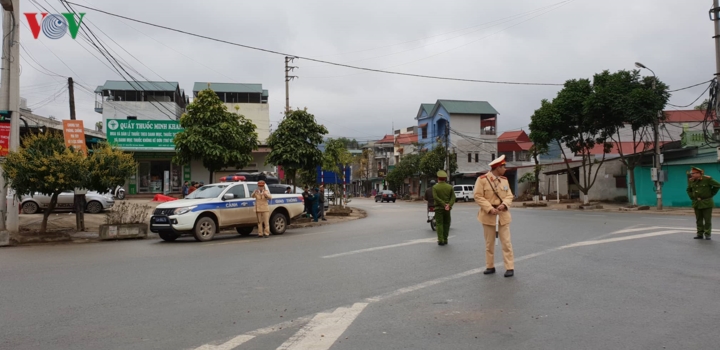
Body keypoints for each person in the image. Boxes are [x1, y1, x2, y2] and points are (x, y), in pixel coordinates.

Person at [474, 155, 515, 277]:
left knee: (506, 243)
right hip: (488, 215)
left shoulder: (504, 180)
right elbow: (478, 196)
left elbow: (509, 195)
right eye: (503, 166)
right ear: (497, 167)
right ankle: (490, 266)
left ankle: (509, 267)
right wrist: (489, 208)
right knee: (489, 244)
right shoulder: (482, 180)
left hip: (503, 214)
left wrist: (504, 204)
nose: (505, 169)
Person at [687, 166, 720, 240]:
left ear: (699, 173)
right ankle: (700, 234)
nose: (692, 175)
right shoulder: (692, 181)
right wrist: (692, 197)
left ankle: (707, 234)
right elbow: (688, 190)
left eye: (693, 173)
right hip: (696, 203)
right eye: (691, 173)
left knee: (707, 219)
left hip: (706, 202)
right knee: (699, 219)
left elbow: (718, 185)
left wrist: (711, 194)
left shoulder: (707, 179)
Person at [432, 170, 456, 246]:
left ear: (438, 178)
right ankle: (445, 239)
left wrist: (443, 204)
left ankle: (440, 240)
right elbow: (453, 197)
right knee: (446, 223)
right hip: (447, 209)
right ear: (445, 179)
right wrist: (448, 205)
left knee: (439, 224)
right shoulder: (450, 187)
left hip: (439, 208)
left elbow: (435, 197)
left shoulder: (435, 187)